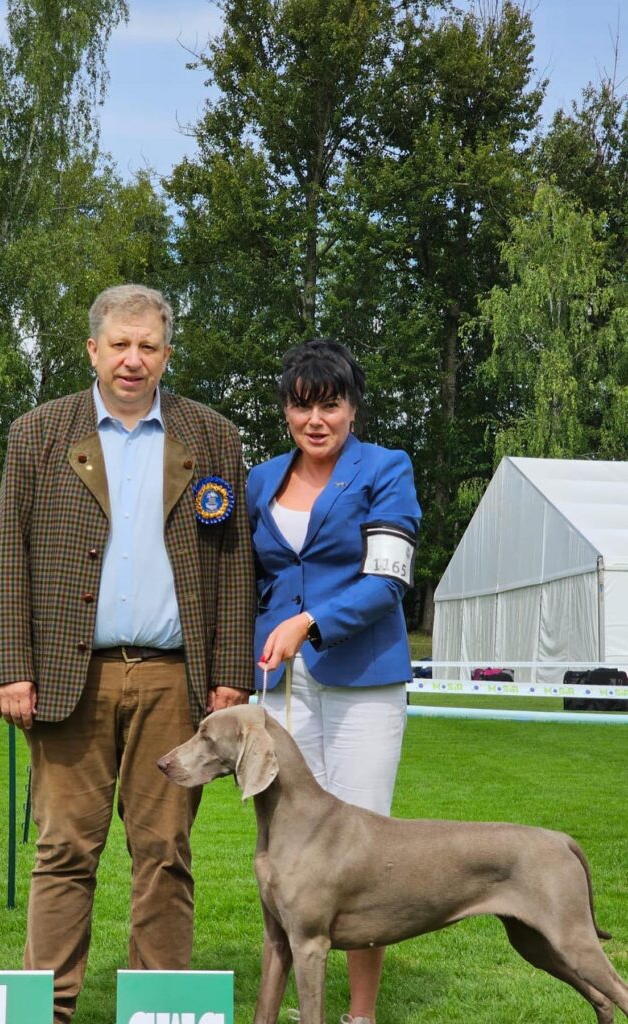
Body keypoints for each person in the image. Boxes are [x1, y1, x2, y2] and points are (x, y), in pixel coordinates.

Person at [0, 283, 256, 1024]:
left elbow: (233, 562)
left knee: (165, 850)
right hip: (70, 678)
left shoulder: (213, 437)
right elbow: (9, 554)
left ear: (166, 354)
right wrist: (10, 666)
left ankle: (159, 1009)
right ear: (92, 350)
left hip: (176, 681)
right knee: (64, 850)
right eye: (119, 345)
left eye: (148, 346)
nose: (133, 360)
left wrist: (232, 669)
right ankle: (50, 1009)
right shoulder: (37, 432)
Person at [247, 338, 421, 1024]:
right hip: (278, 687)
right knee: (287, 847)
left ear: (352, 408)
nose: (315, 419)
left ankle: (360, 1013)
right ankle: (291, 1005)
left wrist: (311, 623)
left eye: (330, 403)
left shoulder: (386, 468)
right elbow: (247, 580)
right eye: (301, 404)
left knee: (359, 851)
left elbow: (388, 580)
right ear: (285, 408)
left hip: (362, 682)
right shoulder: (260, 479)